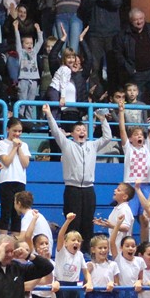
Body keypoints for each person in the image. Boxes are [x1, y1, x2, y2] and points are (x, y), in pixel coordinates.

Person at [44, 104, 112, 247]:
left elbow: (107, 137)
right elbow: (55, 131)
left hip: (89, 189)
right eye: (78, 130)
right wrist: (49, 114)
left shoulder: (92, 145)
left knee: (88, 221)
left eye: (84, 130)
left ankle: (86, 249)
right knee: (73, 222)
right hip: (72, 189)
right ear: (72, 133)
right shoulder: (67, 145)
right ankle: (71, 248)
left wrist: (103, 119)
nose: (82, 132)